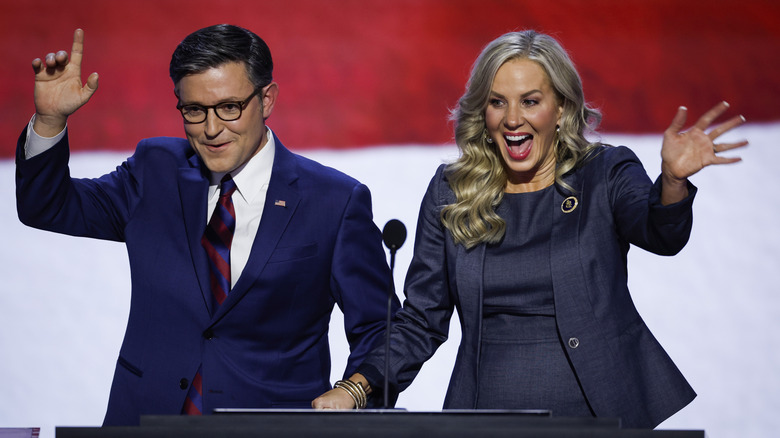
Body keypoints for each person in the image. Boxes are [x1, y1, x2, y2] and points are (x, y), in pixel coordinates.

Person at [312, 30, 747, 428]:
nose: (512, 119)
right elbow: (421, 319)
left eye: (530, 101)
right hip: (486, 415)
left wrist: (672, 181)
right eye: (497, 102)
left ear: (562, 109)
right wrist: (356, 388)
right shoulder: (452, 191)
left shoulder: (604, 173)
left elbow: (661, 233)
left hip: (596, 415)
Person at [16, 25, 399, 426]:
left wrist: (354, 390)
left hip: (272, 427)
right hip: (146, 422)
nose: (212, 129)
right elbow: (47, 206)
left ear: (267, 99)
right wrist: (49, 121)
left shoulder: (333, 201)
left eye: (229, 107)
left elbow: (382, 327)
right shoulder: (155, 171)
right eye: (195, 110)